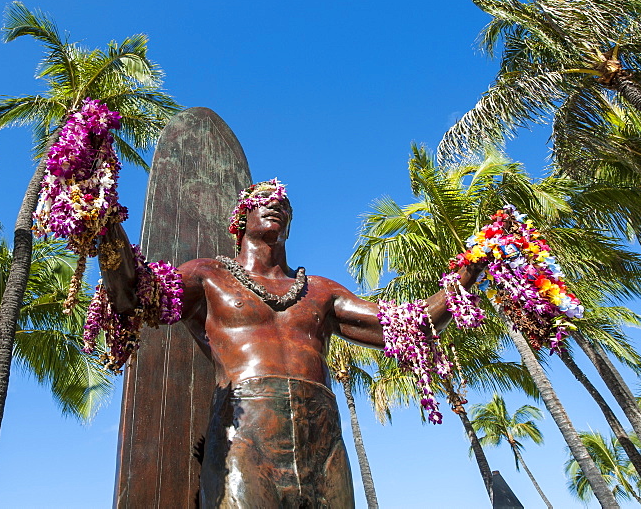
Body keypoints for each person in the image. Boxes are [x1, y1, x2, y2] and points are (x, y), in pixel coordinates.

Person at [102, 179, 479, 508]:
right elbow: (136, 294)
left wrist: (472, 270)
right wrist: (101, 216)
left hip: (322, 437)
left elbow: (409, 324)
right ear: (240, 220)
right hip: (246, 434)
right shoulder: (208, 276)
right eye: (263, 199)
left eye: (282, 202)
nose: (275, 203)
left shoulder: (319, 290)